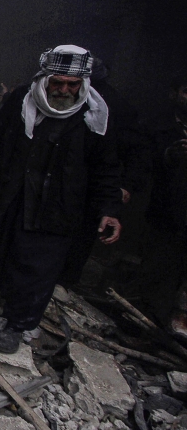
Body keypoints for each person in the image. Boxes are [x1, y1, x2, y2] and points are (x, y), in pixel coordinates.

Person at [0, 45, 122, 354]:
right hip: (14, 193)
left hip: (57, 205)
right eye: (58, 83)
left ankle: (17, 324)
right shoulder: (24, 98)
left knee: (37, 266)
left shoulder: (94, 116)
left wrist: (109, 209)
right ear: (45, 78)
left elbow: (106, 169)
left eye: (72, 85)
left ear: (83, 84)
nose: (64, 90)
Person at [58, 56, 150, 287]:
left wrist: (127, 185)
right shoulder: (57, 98)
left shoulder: (115, 106)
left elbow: (135, 151)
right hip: (57, 180)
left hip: (90, 185)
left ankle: (62, 287)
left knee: (78, 239)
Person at [141, 73, 187, 338]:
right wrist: (170, 155)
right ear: (174, 94)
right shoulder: (159, 127)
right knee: (157, 275)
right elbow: (142, 164)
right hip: (166, 216)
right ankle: (150, 333)